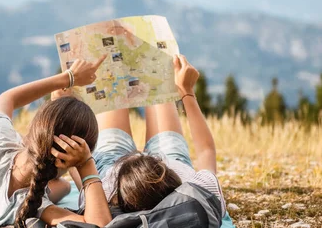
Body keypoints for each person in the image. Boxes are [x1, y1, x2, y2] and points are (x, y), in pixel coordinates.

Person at [0, 55, 113, 228]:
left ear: (33, 129)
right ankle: (58, 148)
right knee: (63, 187)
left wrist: (68, 77)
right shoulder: (29, 205)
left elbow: (6, 99)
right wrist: (84, 164)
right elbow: (100, 224)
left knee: (62, 186)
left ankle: (52, 136)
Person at [81, 54, 225, 216]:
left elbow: (82, 168)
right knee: (156, 78)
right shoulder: (196, 189)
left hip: (111, 166)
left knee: (112, 79)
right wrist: (187, 92)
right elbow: (206, 150)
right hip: (171, 163)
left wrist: (187, 93)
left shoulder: (104, 193)